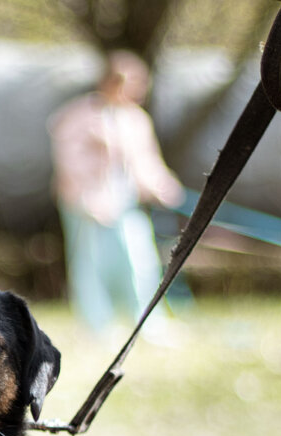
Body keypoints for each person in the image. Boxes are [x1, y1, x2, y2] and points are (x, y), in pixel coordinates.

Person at [48, 51, 184, 334]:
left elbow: (146, 161)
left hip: (125, 204)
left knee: (140, 261)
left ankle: (147, 323)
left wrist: (164, 186)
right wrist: (88, 200)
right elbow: (68, 162)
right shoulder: (78, 115)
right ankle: (100, 327)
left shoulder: (136, 119)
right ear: (112, 82)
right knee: (91, 267)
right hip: (86, 206)